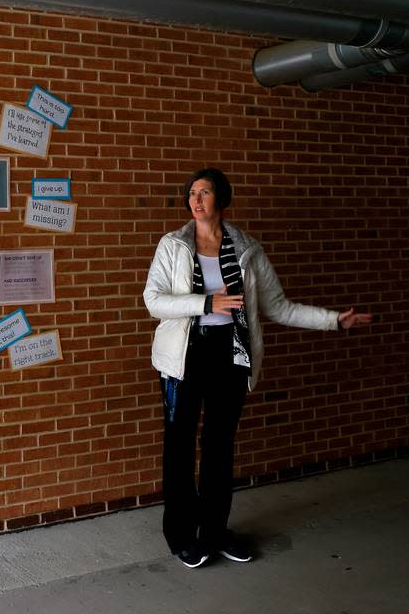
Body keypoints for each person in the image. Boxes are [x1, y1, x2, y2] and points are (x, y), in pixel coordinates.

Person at [142, 168, 371, 569]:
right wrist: (205, 304)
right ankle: (181, 537)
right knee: (178, 449)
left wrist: (334, 320)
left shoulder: (247, 249)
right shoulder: (173, 246)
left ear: (222, 199)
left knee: (219, 448)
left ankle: (214, 531)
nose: (196, 200)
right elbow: (154, 301)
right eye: (191, 193)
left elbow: (279, 307)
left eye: (205, 192)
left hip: (231, 357)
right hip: (183, 357)